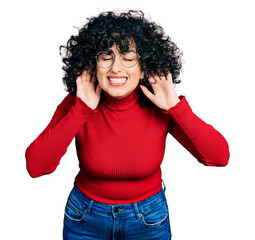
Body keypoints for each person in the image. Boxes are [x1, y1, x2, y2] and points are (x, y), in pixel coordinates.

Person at [25, 10, 230, 240]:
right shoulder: (78, 104)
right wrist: (81, 109)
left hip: (148, 220)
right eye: (106, 56)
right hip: (85, 219)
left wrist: (174, 106)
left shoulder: (159, 104)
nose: (115, 68)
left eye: (128, 57)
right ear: (93, 63)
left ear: (144, 65)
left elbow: (218, 157)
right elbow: (36, 166)